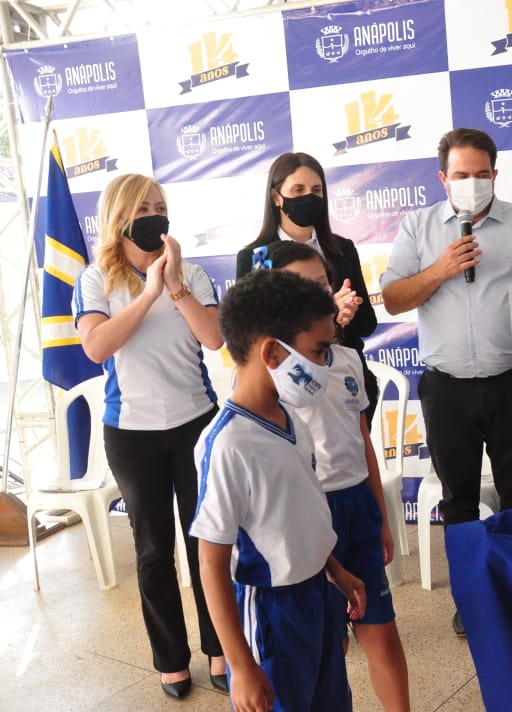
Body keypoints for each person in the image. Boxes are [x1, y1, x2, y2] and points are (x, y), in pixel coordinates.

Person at [380, 128, 512, 635]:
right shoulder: (418, 227)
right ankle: (473, 598)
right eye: (461, 175)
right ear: (443, 178)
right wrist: (440, 268)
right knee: (458, 499)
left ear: (495, 175)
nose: (472, 183)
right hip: (448, 387)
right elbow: (394, 298)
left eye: (482, 174)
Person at [72, 173, 226, 698]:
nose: (155, 214)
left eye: (160, 205)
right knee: (154, 549)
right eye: (143, 207)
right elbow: (96, 348)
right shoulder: (97, 280)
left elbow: (213, 337)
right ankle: (171, 659)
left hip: (195, 424)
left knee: (207, 541)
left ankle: (220, 648)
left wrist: (175, 283)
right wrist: (149, 292)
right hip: (132, 433)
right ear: (120, 218)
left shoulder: (196, 275)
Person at [192, 269, 367, 712]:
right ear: (272, 351)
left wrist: (334, 570)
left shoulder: (293, 418)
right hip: (269, 613)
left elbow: (301, 511)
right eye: (319, 351)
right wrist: (242, 665)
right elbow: (211, 564)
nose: (325, 364)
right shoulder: (228, 445)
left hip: (316, 595)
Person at [265, 240, 411, 711]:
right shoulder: (273, 373)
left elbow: (362, 437)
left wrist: (382, 517)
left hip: (358, 512)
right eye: (304, 288)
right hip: (310, 518)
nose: (317, 297)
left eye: (323, 286)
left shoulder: (348, 360)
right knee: (328, 647)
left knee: (383, 638)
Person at [235, 151, 380, 416]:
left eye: (316, 190)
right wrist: (327, 311)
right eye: (298, 189)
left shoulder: (342, 249)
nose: (308, 197)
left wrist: (348, 314)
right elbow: (249, 336)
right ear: (276, 197)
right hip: (285, 389)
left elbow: (368, 324)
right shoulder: (255, 257)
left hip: (345, 387)